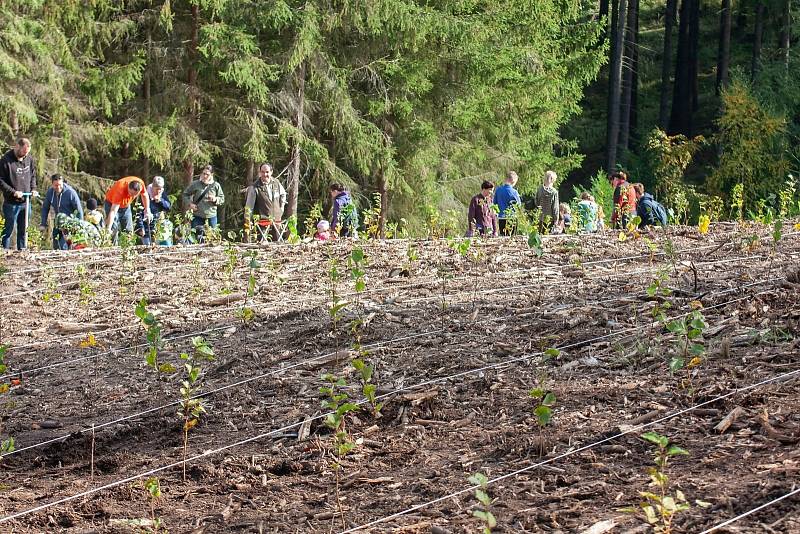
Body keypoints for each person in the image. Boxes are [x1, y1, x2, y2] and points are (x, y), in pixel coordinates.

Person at [0, 138, 39, 250]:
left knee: (24, 229)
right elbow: (1, 181)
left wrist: (33, 188)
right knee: (9, 229)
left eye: (27, 153)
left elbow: (32, 175)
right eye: (23, 152)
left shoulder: (29, 159)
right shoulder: (5, 161)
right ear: (17, 146)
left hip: (26, 202)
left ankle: (22, 251)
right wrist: (13, 192)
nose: (24, 155)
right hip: (11, 203)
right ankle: (4, 252)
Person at [244, 163, 287, 242]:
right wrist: (248, 222)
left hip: (277, 220)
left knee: (278, 243)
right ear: (260, 173)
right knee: (262, 245)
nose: (265, 174)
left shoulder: (276, 183)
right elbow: (249, 207)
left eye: (267, 172)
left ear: (271, 172)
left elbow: (283, 194)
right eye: (262, 172)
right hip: (263, 222)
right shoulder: (254, 187)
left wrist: (281, 209)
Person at [39, 174, 83, 250]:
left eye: (60, 185)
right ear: (52, 184)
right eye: (56, 185)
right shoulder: (50, 193)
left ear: (62, 183)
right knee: (56, 242)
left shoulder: (70, 193)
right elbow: (45, 208)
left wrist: (80, 225)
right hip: (58, 221)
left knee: (65, 244)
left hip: (70, 222)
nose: (58, 187)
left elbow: (79, 210)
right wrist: (43, 223)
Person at [182, 165, 224, 241]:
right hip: (197, 216)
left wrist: (215, 199)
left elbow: (222, 199)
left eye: (207, 174)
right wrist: (190, 204)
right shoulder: (196, 184)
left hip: (211, 216)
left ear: (212, 175)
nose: (205, 176)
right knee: (197, 238)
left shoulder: (216, 186)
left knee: (212, 238)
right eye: (203, 173)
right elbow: (185, 194)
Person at [104, 176, 151, 240]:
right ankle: (113, 247)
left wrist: (147, 209)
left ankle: (128, 247)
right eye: (131, 193)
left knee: (129, 231)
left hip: (126, 206)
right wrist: (108, 229)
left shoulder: (140, 184)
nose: (132, 196)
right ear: (128, 187)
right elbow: (113, 211)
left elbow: (144, 195)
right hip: (111, 204)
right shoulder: (120, 190)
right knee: (113, 229)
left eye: (135, 194)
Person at [135, 176, 172, 245]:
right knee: (148, 247)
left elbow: (168, 208)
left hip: (158, 226)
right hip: (146, 226)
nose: (158, 191)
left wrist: (161, 201)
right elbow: (138, 212)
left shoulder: (162, 194)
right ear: (152, 187)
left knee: (162, 246)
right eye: (156, 189)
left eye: (160, 189)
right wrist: (140, 227)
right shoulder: (145, 195)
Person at [494, 171, 522, 235]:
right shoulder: (514, 192)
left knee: (503, 236)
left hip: (501, 217)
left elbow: (495, 204)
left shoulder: (498, 190)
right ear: (513, 181)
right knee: (512, 237)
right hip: (512, 217)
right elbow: (518, 205)